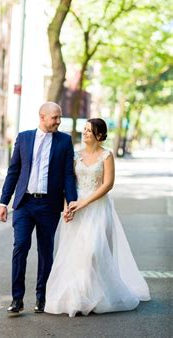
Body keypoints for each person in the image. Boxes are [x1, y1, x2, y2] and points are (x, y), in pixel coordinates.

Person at [45, 118, 150, 317]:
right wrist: (67, 207)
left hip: (98, 208)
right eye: (83, 130)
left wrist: (84, 203)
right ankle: (79, 297)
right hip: (76, 208)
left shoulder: (107, 155)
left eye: (88, 131)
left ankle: (96, 295)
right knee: (76, 253)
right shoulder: (75, 155)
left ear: (99, 135)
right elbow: (69, 182)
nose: (84, 133)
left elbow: (108, 184)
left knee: (94, 251)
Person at [0, 102, 77, 315]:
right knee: (20, 247)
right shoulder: (24, 138)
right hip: (24, 203)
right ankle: (17, 299)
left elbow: (69, 174)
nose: (58, 121)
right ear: (42, 117)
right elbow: (13, 171)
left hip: (49, 206)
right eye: (55, 118)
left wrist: (72, 201)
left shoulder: (65, 141)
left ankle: (42, 297)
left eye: (59, 117)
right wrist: (4, 201)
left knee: (45, 251)